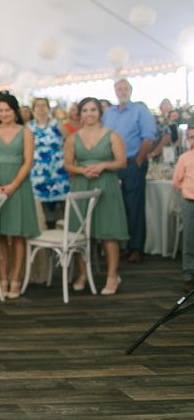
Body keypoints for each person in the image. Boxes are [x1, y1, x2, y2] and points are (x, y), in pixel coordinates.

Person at [0, 93, 40, 299]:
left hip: (18, 185)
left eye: (8, 110)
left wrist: (13, 185)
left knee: (17, 234)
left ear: (15, 112)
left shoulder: (25, 132)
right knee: (1, 234)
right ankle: (2, 277)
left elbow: (28, 162)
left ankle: (16, 278)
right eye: (0, 110)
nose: (4, 114)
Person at [64, 97, 128, 295]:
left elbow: (122, 162)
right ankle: (83, 273)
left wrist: (103, 165)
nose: (89, 114)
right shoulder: (73, 138)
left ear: (100, 113)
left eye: (93, 110)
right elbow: (68, 164)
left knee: (109, 232)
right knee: (81, 232)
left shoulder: (112, 136)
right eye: (85, 110)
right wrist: (83, 171)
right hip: (82, 185)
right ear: (80, 113)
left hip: (106, 185)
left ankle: (112, 275)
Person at [102, 79, 155, 263]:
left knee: (134, 207)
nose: (121, 91)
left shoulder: (140, 110)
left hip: (133, 163)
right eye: (118, 89)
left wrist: (138, 160)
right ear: (115, 91)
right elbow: (103, 136)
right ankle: (123, 245)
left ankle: (136, 248)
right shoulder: (108, 113)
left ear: (130, 90)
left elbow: (148, 139)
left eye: (125, 88)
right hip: (113, 165)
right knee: (118, 207)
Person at [29, 97, 70, 228]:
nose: (41, 109)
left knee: (63, 203)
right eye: (38, 106)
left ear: (48, 108)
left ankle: (66, 232)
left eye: (44, 105)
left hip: (58, 170)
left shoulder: (57, 124)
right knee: (40, 205)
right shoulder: (29, 127)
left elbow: (69, 141)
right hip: (38, 170)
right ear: (33, 109)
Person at [172, 126, 194, 293]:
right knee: (189, 239)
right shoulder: (185, 158)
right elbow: (177, 181)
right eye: (191, 137)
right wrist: (188, 189)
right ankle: (188, 275)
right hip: (190, 202)